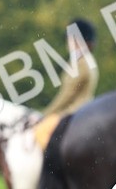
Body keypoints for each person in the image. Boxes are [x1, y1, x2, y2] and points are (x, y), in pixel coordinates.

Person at [34, 19, 99, 150]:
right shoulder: (83, 60)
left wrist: (46, 113)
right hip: (78, 110)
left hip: (73, 112)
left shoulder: (81, 63)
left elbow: (67, 95)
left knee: (40, 132)